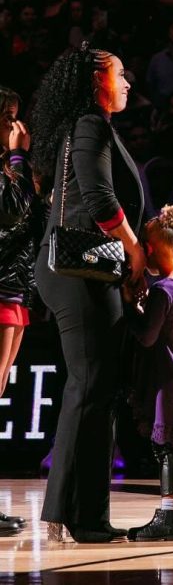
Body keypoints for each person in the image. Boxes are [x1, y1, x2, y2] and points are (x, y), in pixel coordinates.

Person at [31, 44, 146, 543]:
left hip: (86, 271)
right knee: (89, 385)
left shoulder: (86, 126)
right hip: (80, 272)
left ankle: (87, 517)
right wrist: (136, 250)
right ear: (98, 78)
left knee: (97, 388)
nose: (127, 83)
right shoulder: (89, 125)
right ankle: (64, 513)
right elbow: (99, 200)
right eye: (120, 73)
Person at [126, 205, 173, 541]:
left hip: (166, 381)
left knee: (167, 449)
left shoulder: (163, 290)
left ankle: (169, 515)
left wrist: (130, 305)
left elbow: (147, 336)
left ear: (151, 249)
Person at [0, 85, 34, 536]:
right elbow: (12, 212)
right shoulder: (10, 166)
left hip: (13, 289)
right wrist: (20, 158)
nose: (15, 126)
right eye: (8, 116)